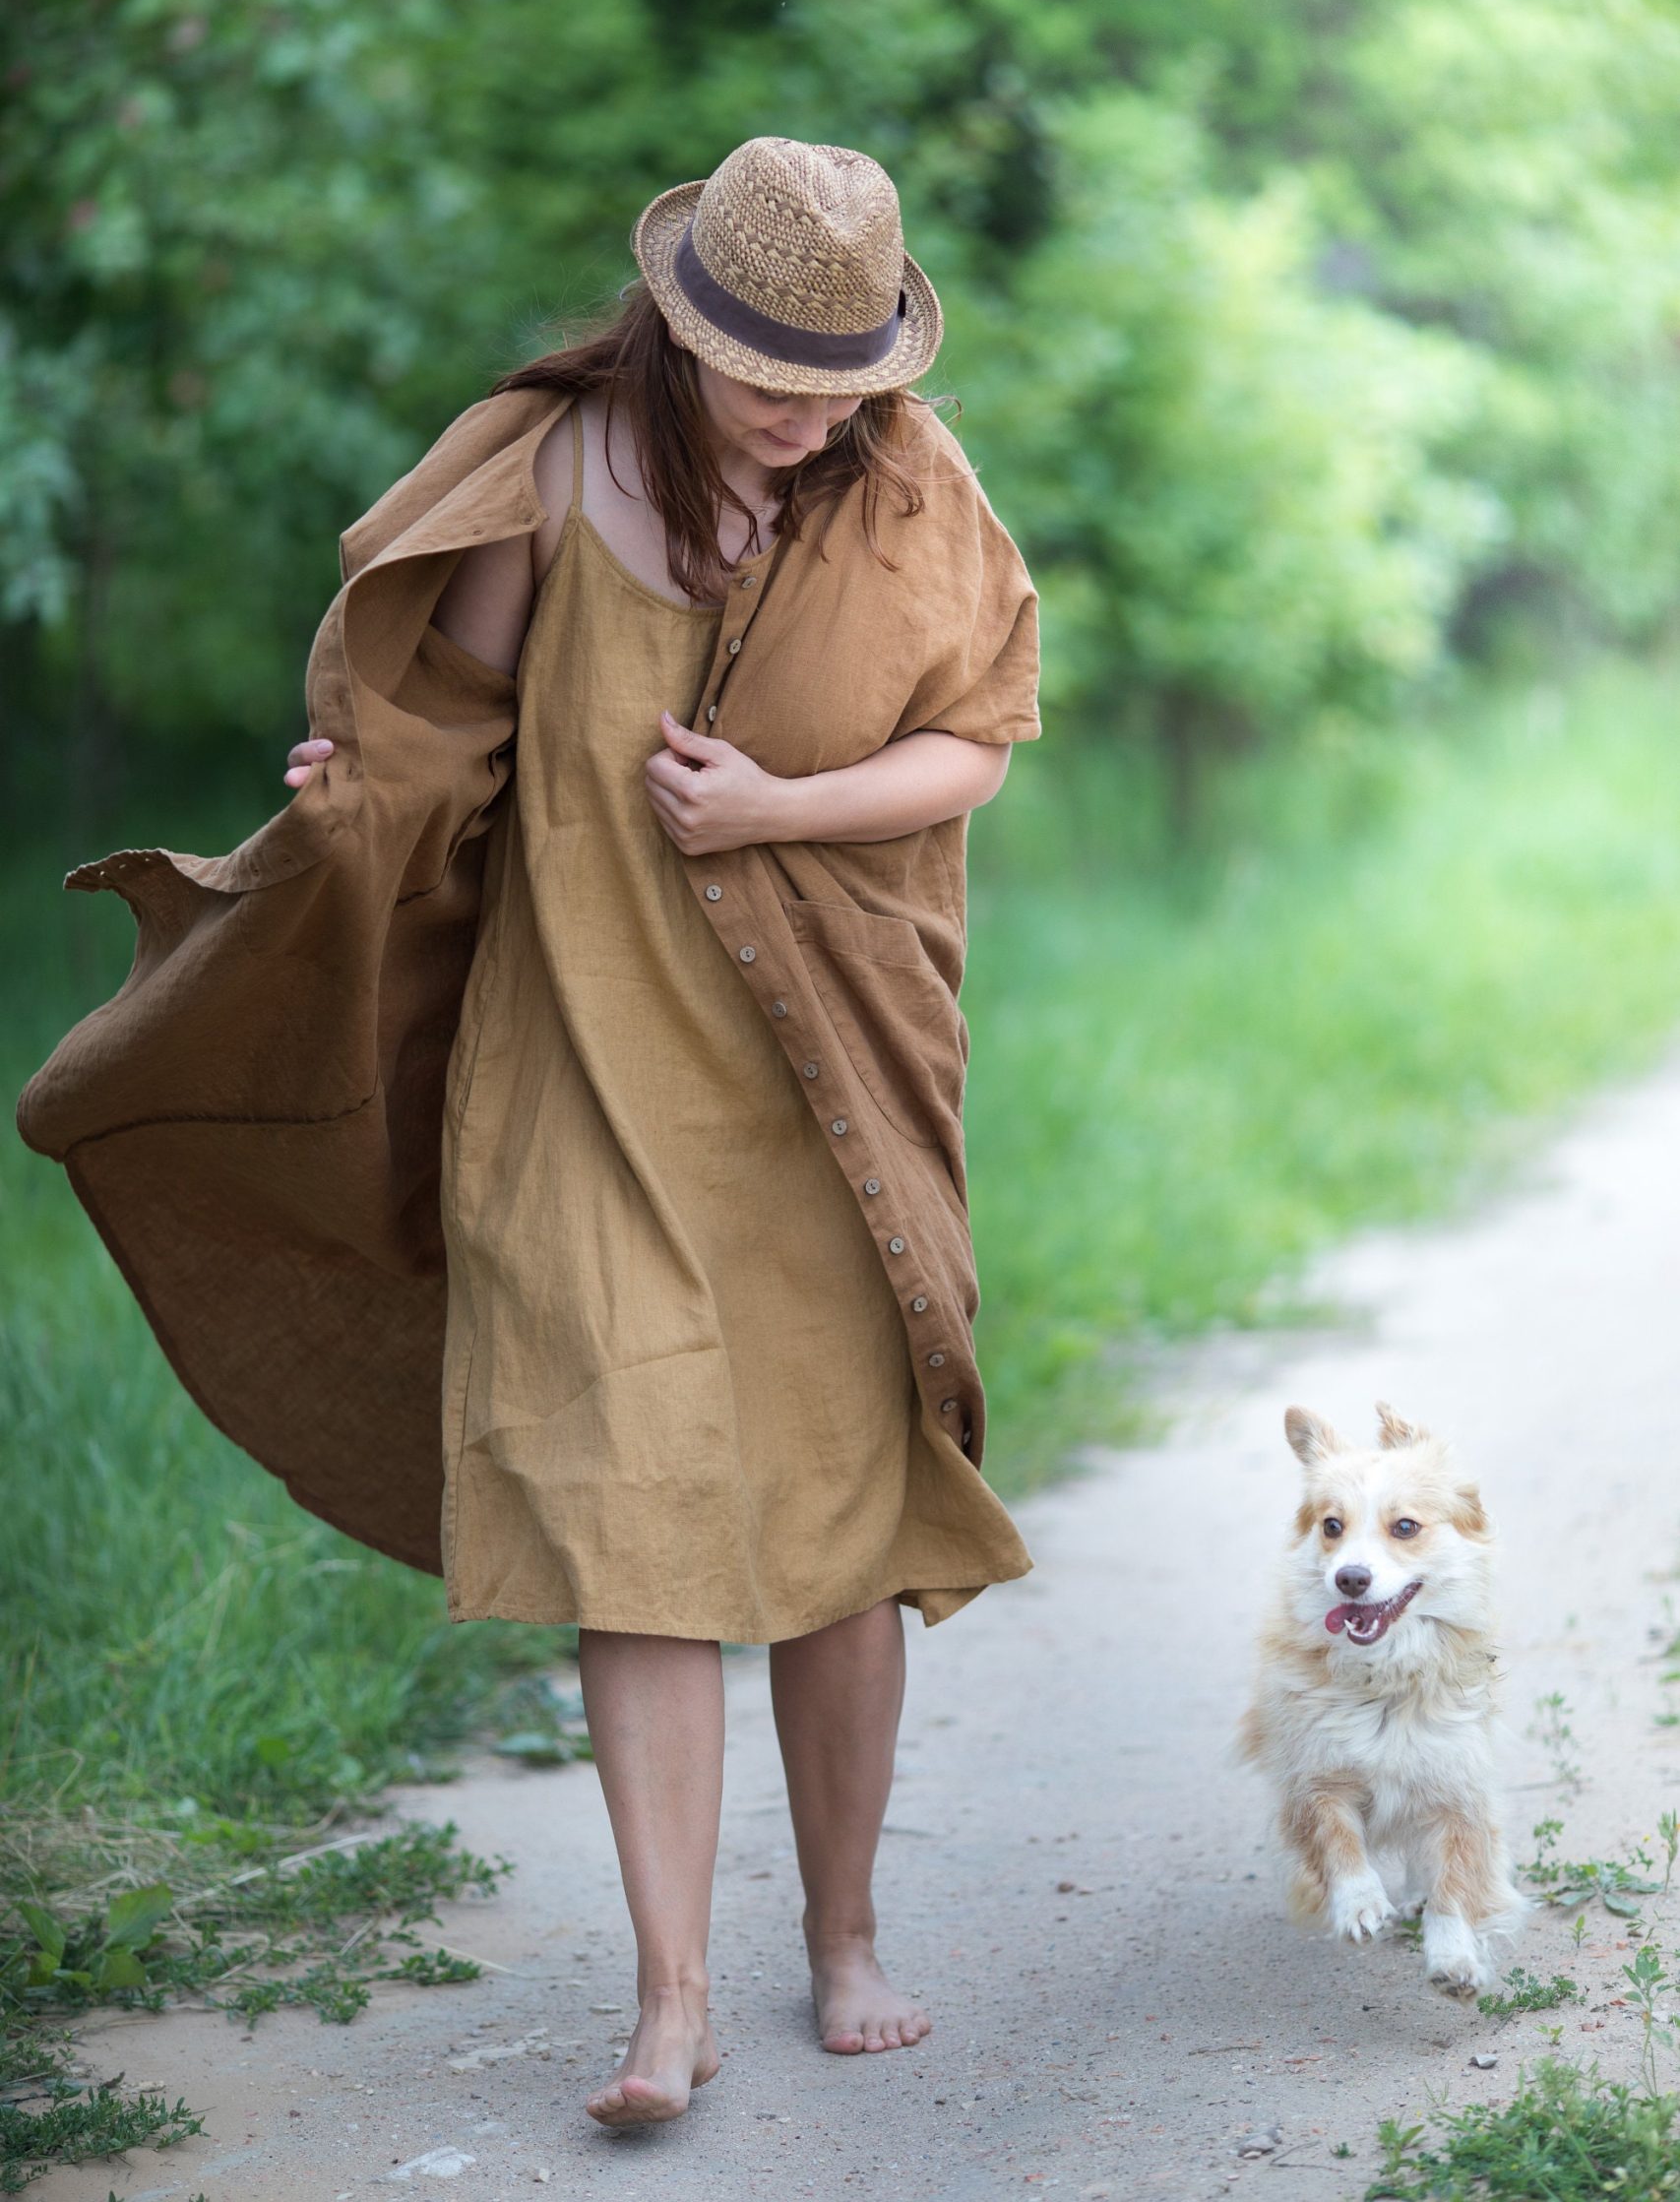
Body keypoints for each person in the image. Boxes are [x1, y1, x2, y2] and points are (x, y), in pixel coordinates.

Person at [20, 136, 1041, 2128]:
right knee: (627, 1517)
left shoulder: (916, 486)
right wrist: (346, 787)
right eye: (775, 378)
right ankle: (668, 2001)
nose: (814, 413)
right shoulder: (552, 468)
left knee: (841, 1517)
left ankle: (840, 1937)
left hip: (820, 1067)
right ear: (679, 324)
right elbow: (433, 743)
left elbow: (974, 738)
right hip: (580, 1058)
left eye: (846, 377)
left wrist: (771, 808)